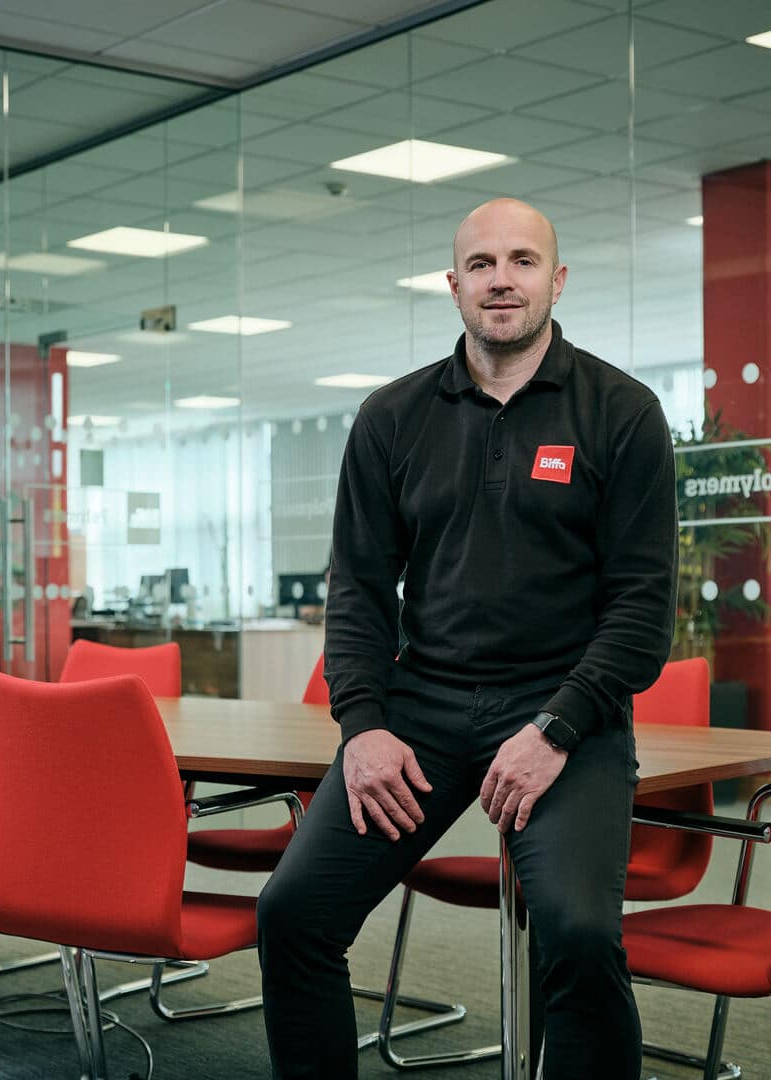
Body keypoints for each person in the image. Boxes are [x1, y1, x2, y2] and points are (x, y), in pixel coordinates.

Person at [256, 198, 677, 1079]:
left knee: (581, 934)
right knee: (294, 916)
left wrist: (556, 730)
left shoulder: (622, 413)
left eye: (523, 261)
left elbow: (641, 610)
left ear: (556, 281)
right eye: (482, 264)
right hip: (421, 711)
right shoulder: (392, 418)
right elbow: (360, 592)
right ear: (453, 286)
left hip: (564, 712)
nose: (502, 280)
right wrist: (362, 726)